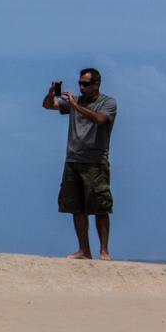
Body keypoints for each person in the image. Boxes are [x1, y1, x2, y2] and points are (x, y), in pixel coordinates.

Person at [42, 68, 118, 260]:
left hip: (95, 162)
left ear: (96, 84)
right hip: (73, 160)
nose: (82, 87)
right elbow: (48, 106)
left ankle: (104, 251)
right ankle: (84, 250)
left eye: (86, 84)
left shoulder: (107, 102)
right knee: (76, 208)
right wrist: (51, 95)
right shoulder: (76, 101)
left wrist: (75, 105)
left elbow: (99, 119)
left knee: (100, 207)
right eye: (80, 84)